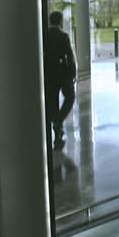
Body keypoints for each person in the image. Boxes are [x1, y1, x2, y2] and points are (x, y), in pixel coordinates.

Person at [44, 11, 76, 150]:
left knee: (53, 101)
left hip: (48, 73)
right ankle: (58, 122)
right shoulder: (63, 36)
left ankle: (57, 127)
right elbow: (69, 56)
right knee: (70, 97)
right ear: (60, 21)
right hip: (62, 72)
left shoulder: (43, 35)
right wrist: (73, 73)